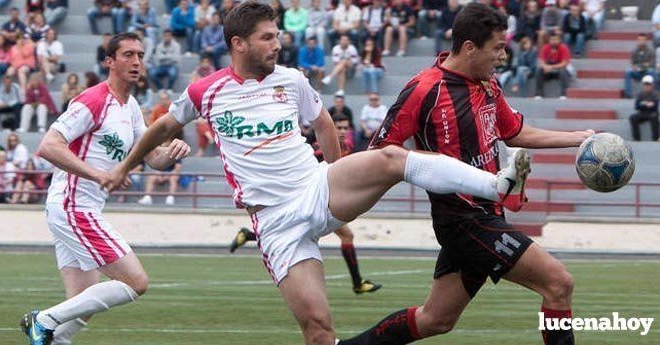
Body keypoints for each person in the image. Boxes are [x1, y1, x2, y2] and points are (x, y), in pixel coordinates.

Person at [102, 4, 532, 344]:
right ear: (238, 43)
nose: (277, 45)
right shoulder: (205, 90)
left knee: (389, 160)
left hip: (315, 187)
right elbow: (162, 127)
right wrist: (125, 166)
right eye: (267, 38)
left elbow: (324, 123)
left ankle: (495, 183)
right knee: (319, 330)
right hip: (274, 223)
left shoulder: (291, 80)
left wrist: (337, 169)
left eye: (278, 36)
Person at [338, 4, 593, 345]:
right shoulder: (423, 90)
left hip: (486, 215)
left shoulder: (487, 82)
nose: (503, 55)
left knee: (436, 320)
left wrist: (578, 140)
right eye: (498, 47)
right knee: (558, 283)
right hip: (463, 219)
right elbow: (381, 155)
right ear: (471, 48)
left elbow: (513, 131)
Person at [19, 32, 192, 345]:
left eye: (140, 55)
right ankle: (42, 320)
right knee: (135, 281)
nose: (136, 61)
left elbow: (152, 158)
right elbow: (48, 146)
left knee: (82, 302)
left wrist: (171, 152)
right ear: (109, 61)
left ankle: (53, 338)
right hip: (73, 206)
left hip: (77, 208)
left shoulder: (131, 107)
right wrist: (98, 174)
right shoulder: (93, 100)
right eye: (128, 55)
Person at [229, 114, 384, 295]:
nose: (342, 132)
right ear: (331, 127)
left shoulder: (348, 147)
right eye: (338, 127)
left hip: (324, 200)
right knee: (343, 236)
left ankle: (250, 235)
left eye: (345, 128)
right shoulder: (318, 149)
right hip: (310, 199)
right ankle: (357, 283)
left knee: (303, 231)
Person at [535, 31, 571, 99]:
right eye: (552, 39)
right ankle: (539, 94)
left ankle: (563, 94)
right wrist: (545, 66)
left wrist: (551, 67)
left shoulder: (563, 48)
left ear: (559, 40)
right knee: (538, 71)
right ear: (549, 40)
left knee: (563, 71)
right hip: (548, 70)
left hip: (559, 69)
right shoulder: (546, 48)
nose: (554, 41)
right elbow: (542, 61)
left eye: (556, 39)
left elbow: (564, 63)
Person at [624, 33, 657, 99]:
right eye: (639, 40)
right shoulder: (634, 51)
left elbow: (652, 63)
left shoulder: (651, 50)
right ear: (637, 40)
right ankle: (628, 94)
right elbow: (632, 63)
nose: (641, 41)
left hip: (647, 72)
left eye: (643, 40)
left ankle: (653, 94)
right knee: (628, 72)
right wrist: (637, 66)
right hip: (637, 72)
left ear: (646, 41)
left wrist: (642, 66)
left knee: (652, 71)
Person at [629, 75, 660, 141]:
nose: (647, 86)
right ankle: (636, 138)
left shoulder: (655, 94)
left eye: (648, 84)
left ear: (652, 85)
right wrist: (647, 104)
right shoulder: (640, 94)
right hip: (643, 113)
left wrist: (643, 104)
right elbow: (636, 106)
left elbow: (655, 106)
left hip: (652, 113)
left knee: (654, 117)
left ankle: (655, 138)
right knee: (633, 117)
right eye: (645, 84)